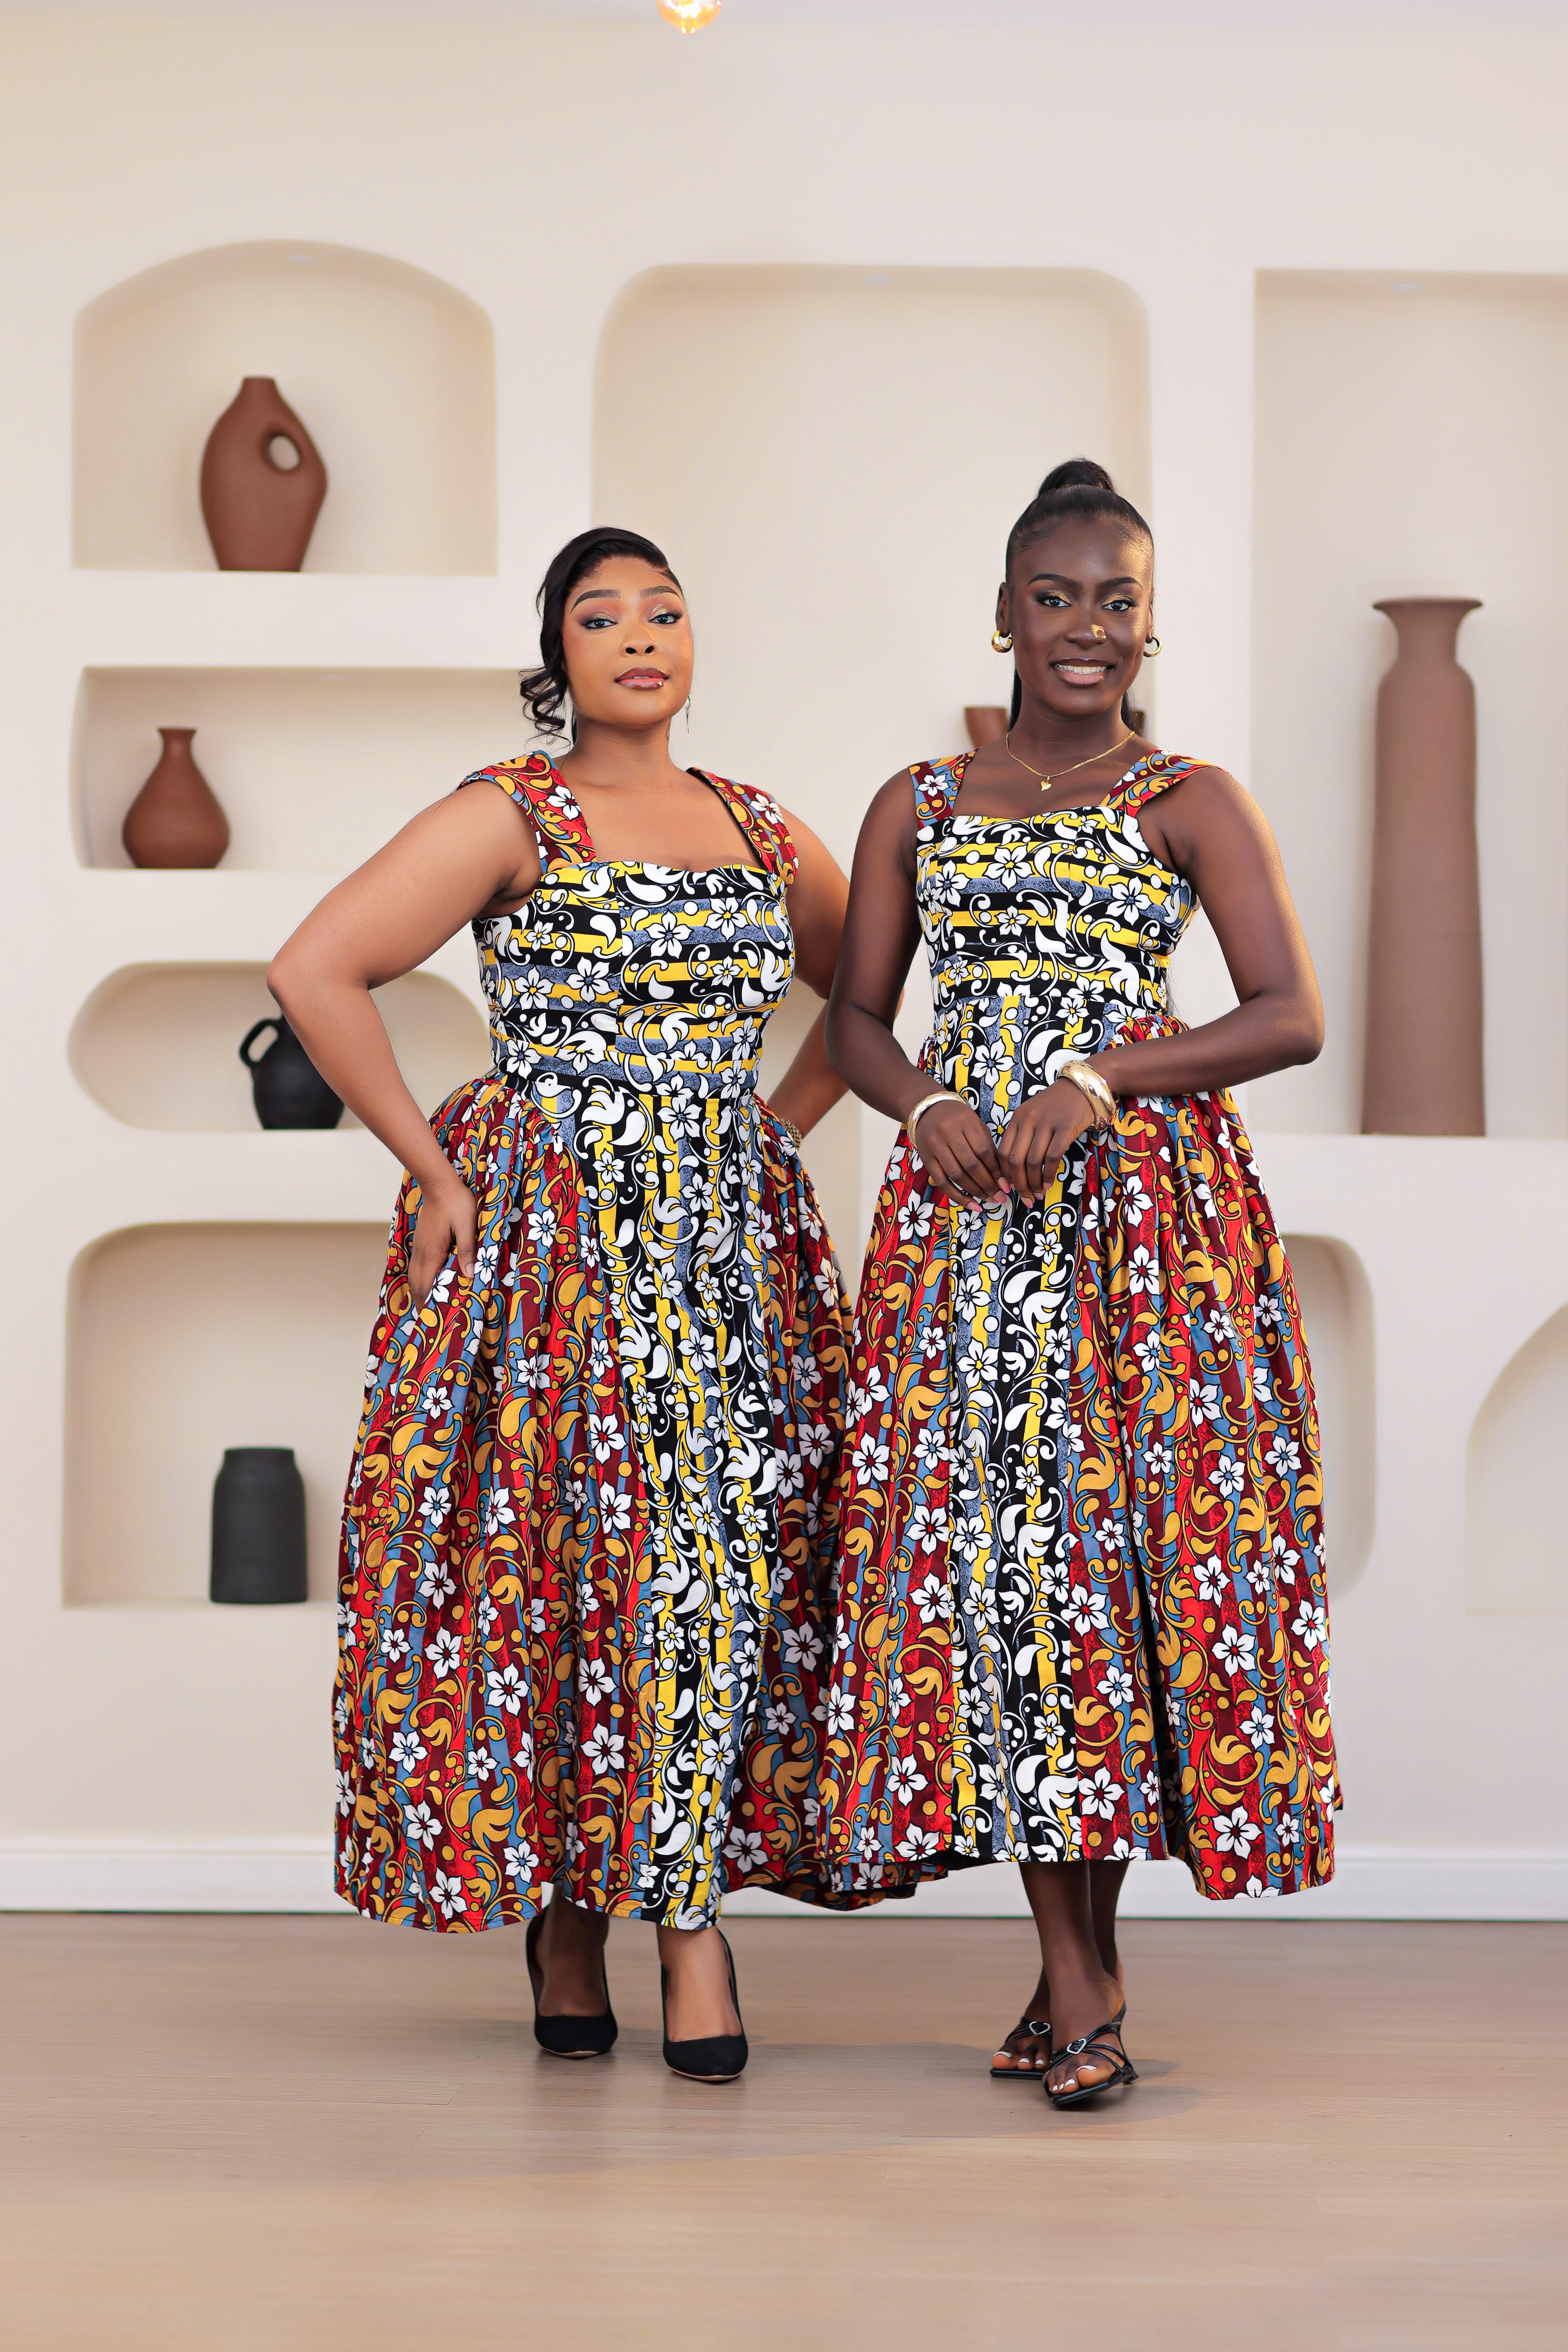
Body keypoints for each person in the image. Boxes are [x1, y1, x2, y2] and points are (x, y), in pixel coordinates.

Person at [269, 526, 858, 2085]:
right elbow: (317, 967)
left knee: (714, 1573)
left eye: (667, 609)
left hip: (728, 1262)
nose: (642, 636)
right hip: (557, 1253)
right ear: (560, 654)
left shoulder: (758, 822)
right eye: (603, 616)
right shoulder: (507, 812)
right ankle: (573, 1915)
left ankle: (688, 1922)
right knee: (568, 1575)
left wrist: (775, 1124)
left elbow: (866, 997)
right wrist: (436, 1170)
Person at [816, 460, 1339, 2107]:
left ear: (1148, 620)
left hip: (1150, 1235)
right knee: (1004, 1581)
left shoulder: (1189, 796)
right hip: (970, 1235)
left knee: (1104, 1587)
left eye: (1117, 599)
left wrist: (1106, 1081)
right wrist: (935, 1105)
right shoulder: (915, 800)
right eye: (1056, 598)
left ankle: (1072, 1982)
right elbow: (851, 1024)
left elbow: (1286, 1014)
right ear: (1001, 614)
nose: (1087, 629)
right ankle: (1077, 1981)